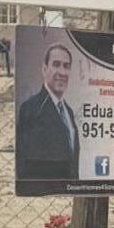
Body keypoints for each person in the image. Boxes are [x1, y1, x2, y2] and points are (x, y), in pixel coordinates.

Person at [16, 39, 80, 185]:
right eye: (56, 64)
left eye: (66, 66)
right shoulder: (31, 108)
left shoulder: (68, 112)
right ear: (44, 69)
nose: (62, 72)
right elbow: (25, 163)